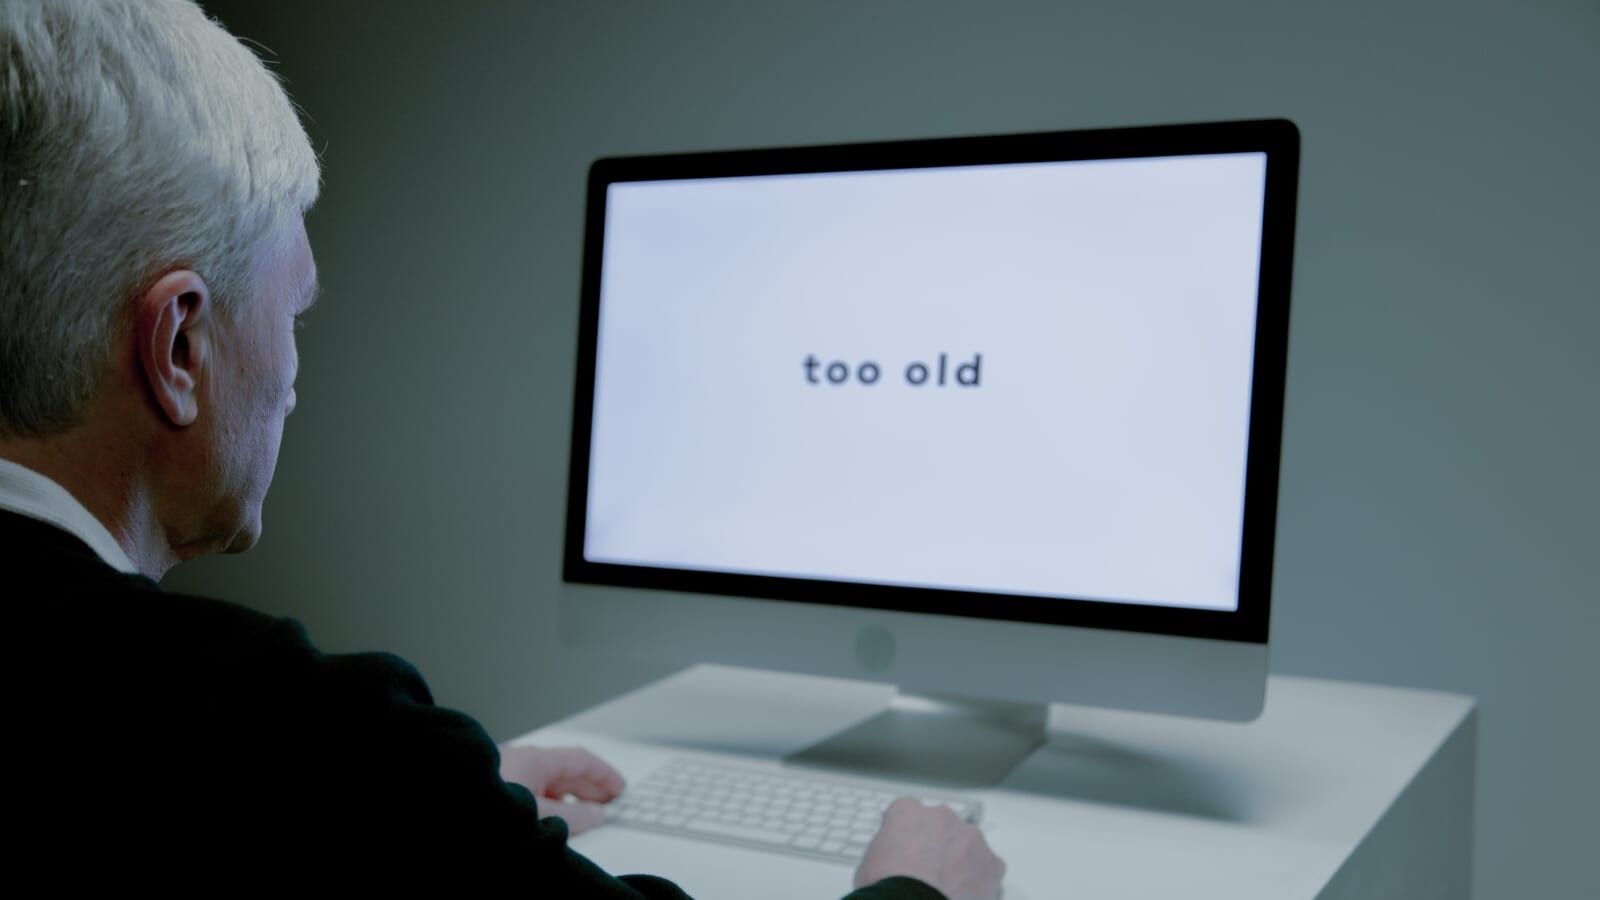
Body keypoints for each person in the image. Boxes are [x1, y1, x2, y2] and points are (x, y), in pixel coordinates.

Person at [0, 1, 1006, 895]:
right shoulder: (288, 738)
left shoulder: (293, 767)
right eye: (292, 315)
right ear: (179, 345)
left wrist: (428, 817)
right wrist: (917, 890)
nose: (295, 375)